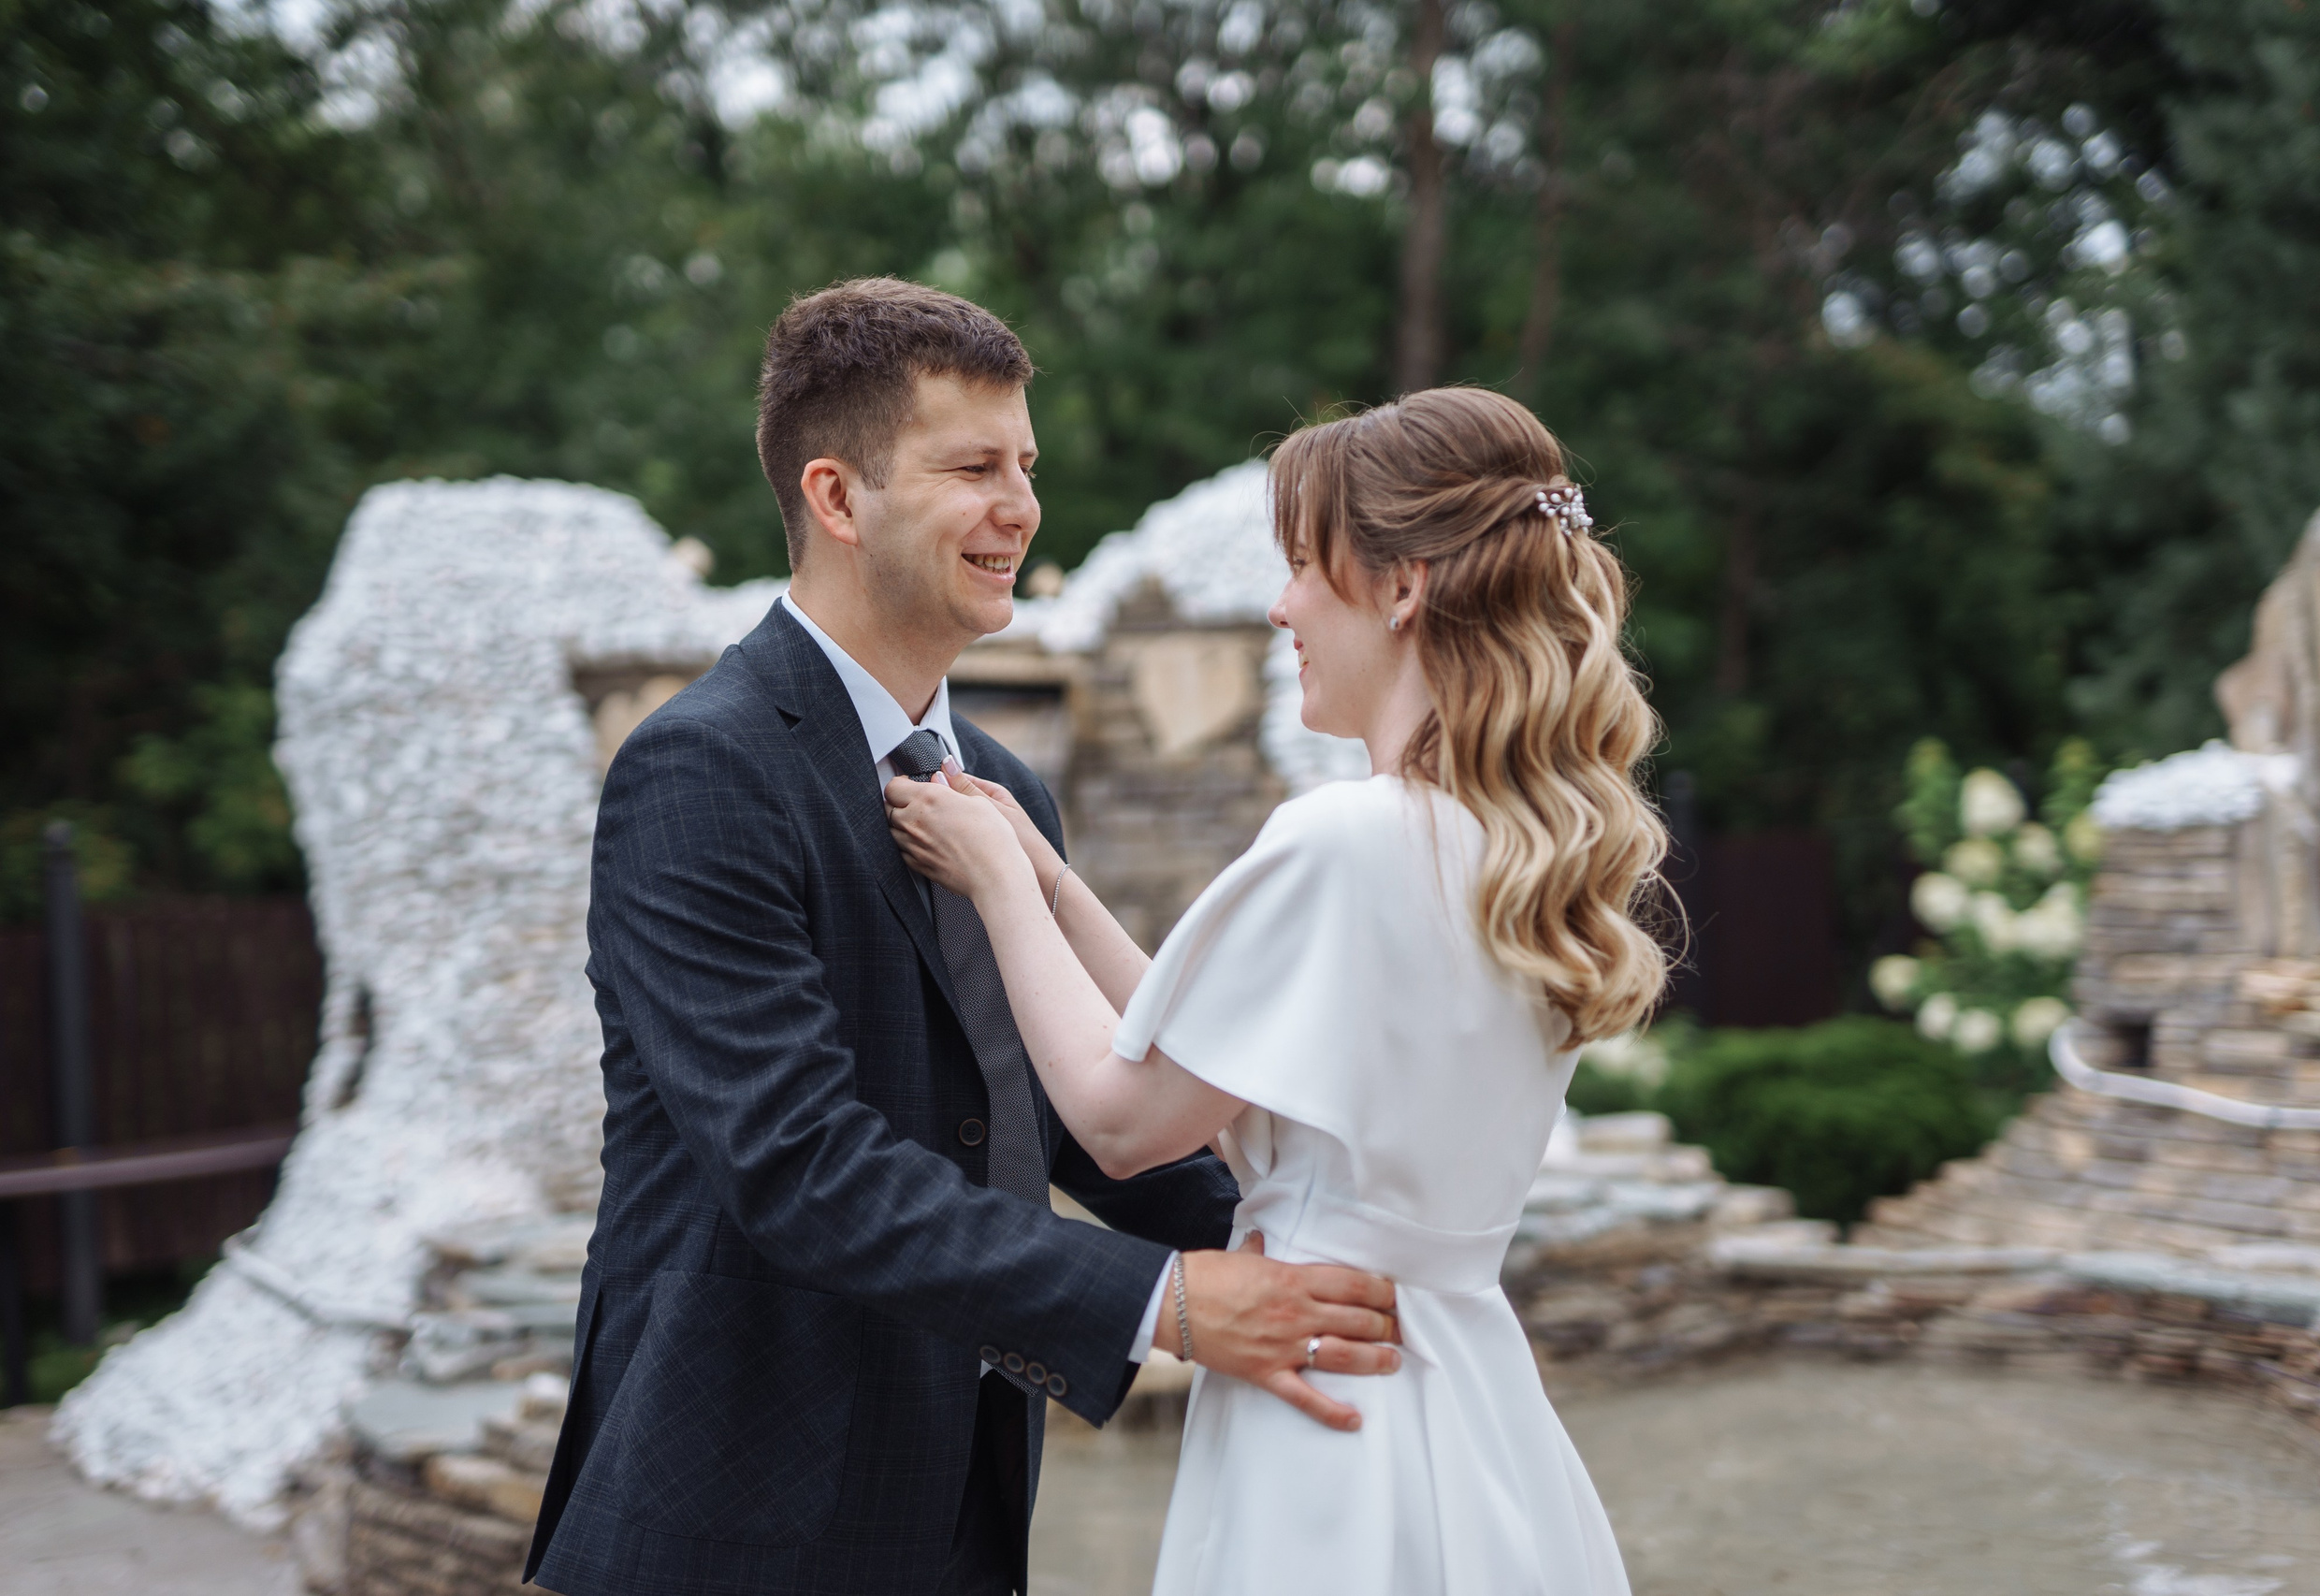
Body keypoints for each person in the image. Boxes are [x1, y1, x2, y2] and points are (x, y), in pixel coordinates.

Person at [524, 278, 1404, 1596]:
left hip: (959, 1495)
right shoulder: (697, 772)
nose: (1023, 507)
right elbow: (798, 1163)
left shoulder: (1003, 788)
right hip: (735, 1505)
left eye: (1028, 464)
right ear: (837, 497)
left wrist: (1278, 1236)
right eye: (973, 467)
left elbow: (1049, 1107)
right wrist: (1164, 1302)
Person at [887, 385, 1668, 1594]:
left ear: (1402, 585)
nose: (1280, 602)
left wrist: (994, 884)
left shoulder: (1346, 840)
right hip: (1469, 1394)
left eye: (1305, 563)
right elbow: (1218, 1044)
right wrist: (1052, 880)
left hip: (1333, 1422)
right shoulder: (1520, 856)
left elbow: (1122, 1118)